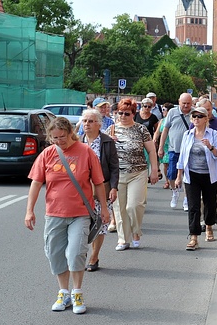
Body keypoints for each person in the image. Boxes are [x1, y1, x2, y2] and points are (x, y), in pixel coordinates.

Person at [25, 117, 108, 314]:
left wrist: (104, 208)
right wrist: (29, 210)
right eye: (54, 138)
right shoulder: (47, 154)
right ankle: (64, 292)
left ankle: (77, 292)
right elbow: (36, 183)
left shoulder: (85, 152)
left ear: (70, 132)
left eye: (62, 137)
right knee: (55, 254)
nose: (59, 141)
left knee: (76, 253)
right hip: (54, 213)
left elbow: (98, 183)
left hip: (80, 212)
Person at [111, 98, 159, 250]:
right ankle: (123, 239)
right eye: (120, 113)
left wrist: (154, 170)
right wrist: (109, 142)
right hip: (117, 174)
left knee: (134, 206)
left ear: (133, 114)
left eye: (126, 113)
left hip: (138, 172)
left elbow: (151, 150)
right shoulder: (111, 130)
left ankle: (136, 232)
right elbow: (101, 152)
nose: (123, 116)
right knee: (119, 207)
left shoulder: (140, 129)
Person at [175, 106, 217, 249]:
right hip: (192, 175)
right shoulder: (187, 135)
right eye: (194, 117)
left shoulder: (213, 134)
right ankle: (194, 237)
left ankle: (209, 226)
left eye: (199, 116)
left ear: (206, 119)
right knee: (193, 206)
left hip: (210, 175)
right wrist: (179, 176)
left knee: (210, 203)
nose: (196, 119)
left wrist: (210, 147)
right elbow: (182, 156)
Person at [79, 109, 119, 272]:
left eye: (90, 121)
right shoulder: (77, 141)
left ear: (98, 124)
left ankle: (94, 256)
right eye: (85, 121)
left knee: (100, 223)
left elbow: (114, 167)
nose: (87, 124)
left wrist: (114, 187)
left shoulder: (107, 142)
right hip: (81, 190)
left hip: (101, 189)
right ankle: (80, 254)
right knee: (81, 223)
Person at [157, 93, 194, 211]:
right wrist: (161, 147)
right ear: (179, 102)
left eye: (188, 103)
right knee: (171, 174)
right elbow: (165, 129)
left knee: (188, 176)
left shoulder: (194, 114)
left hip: (189, 151)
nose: (186, 106)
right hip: (174, 149)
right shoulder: (172, 112)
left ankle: (186, 198)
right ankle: (175, 191)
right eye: (184, 103)